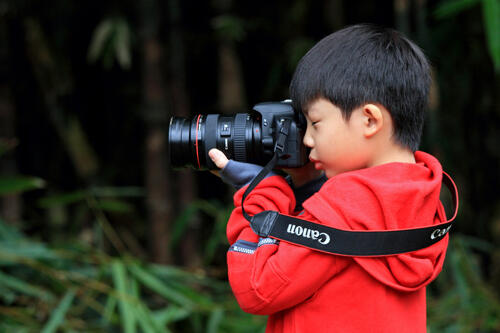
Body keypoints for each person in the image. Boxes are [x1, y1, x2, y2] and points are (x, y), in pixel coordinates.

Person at [208, 24, 453, 332]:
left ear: (369, 119)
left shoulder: (348, 205)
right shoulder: (415, 196)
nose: (307, 139)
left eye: (315, 123)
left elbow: (258, 288)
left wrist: (259, 192)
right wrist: (309, 188)